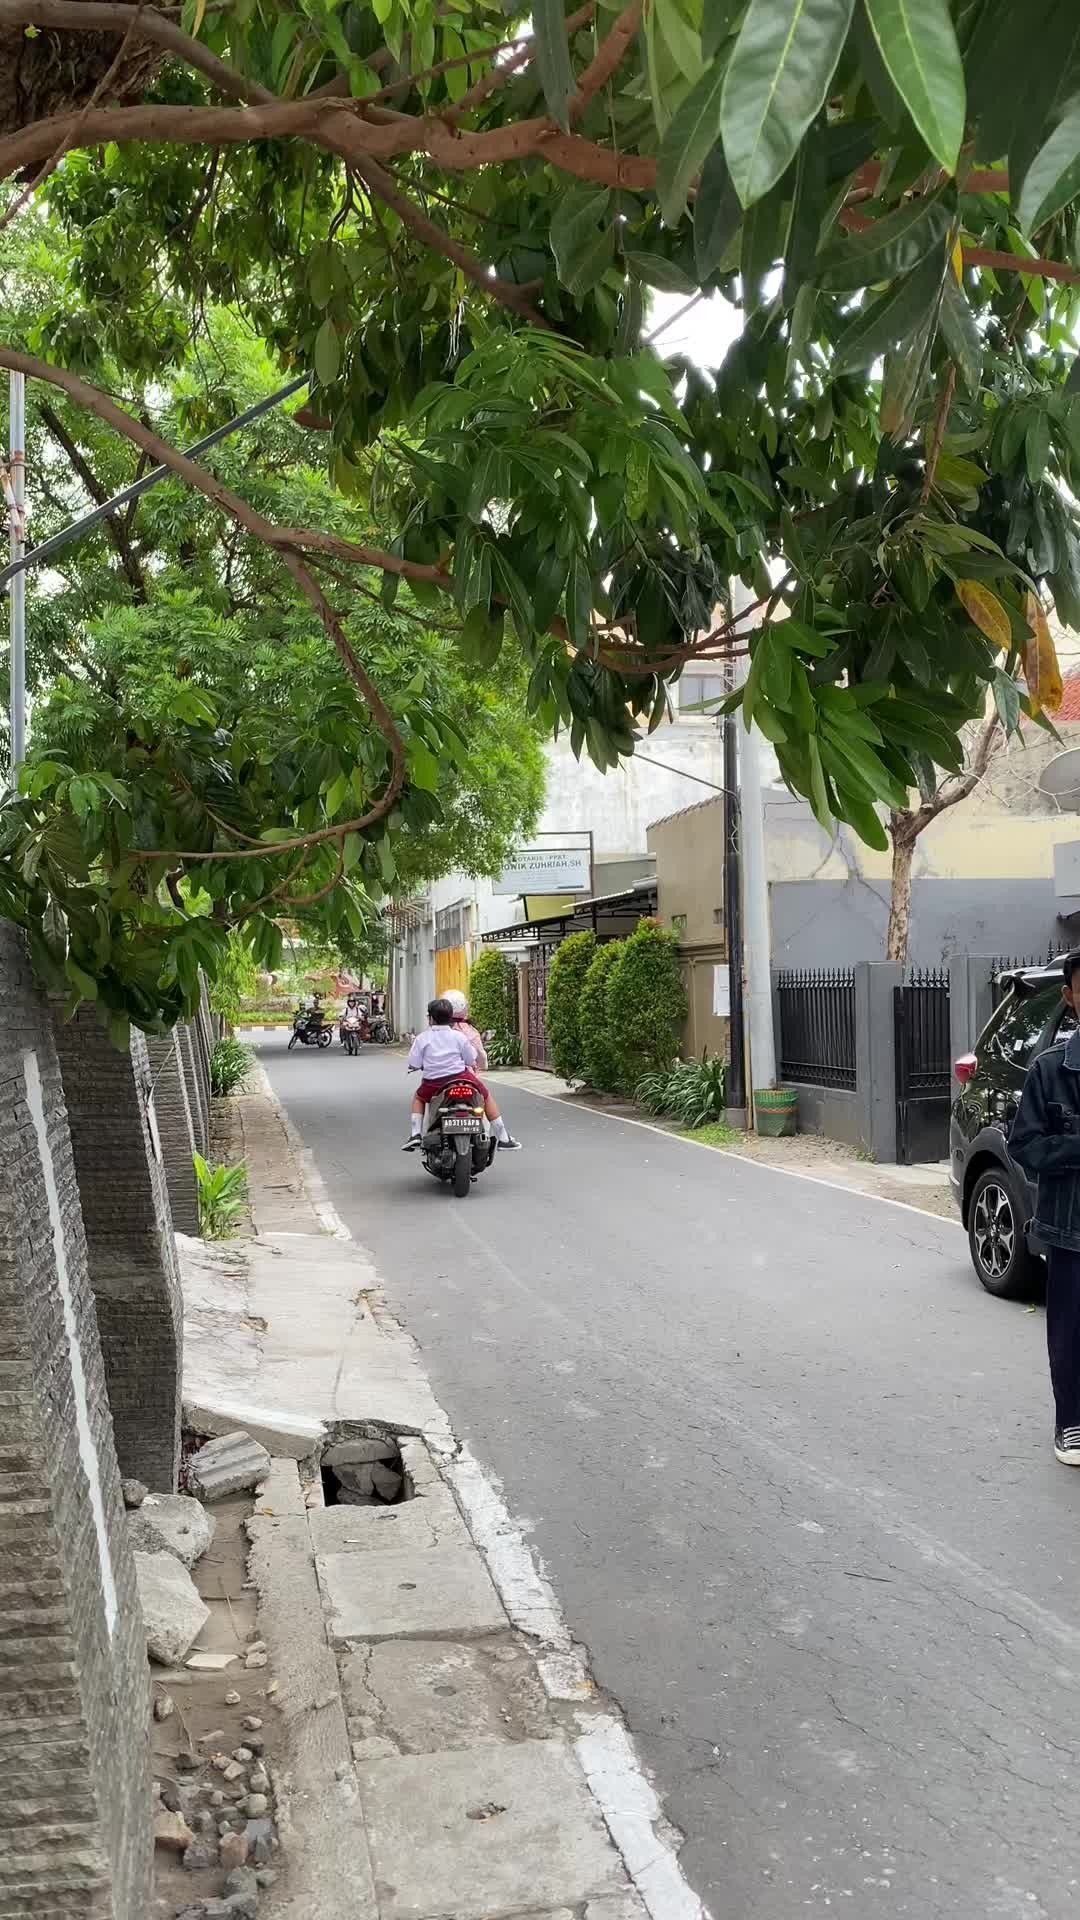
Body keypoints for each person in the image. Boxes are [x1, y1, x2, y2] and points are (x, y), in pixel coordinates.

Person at [1009, 949, 1080, 1465]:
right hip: (1070, 1227)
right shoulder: (1050, 1071)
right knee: (1069, 1331)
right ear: (1071, 997)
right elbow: (1025, 1145)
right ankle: (1071, 1423)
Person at [402, 997, 522, 1151]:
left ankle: (415, 1135)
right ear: (450, 1017)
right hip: (461, 1078)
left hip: (433, 1083)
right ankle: (504, 1138)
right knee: (485, 1096)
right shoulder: (459, 1037)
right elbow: (470, 1058)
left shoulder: (422, 1038)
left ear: (431, 1018)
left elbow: (415, 1062)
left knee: (419, 1098)